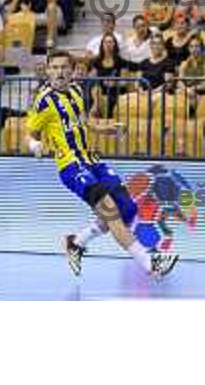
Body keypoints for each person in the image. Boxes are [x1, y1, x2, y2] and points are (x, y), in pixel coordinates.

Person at [26, 50, 179, 278]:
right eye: (54, 68)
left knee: (127, 208)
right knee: (111, 212)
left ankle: (76, 242)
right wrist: (34, 146)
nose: (59, 72)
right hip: (71, 167)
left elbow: (85, 122)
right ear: (48, 71)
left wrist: (106, 128)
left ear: (72, 70)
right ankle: (150, 264)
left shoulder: (77, 90)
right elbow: (30, 134)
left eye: (64, 67)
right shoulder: (44, 101)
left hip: (92, 161)